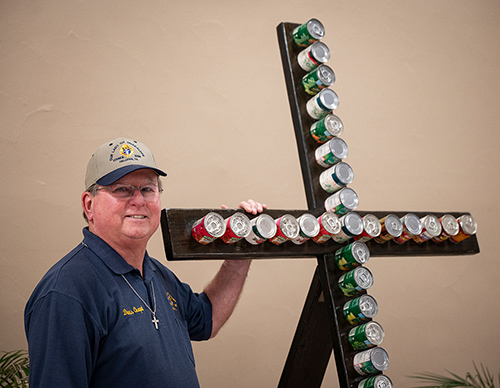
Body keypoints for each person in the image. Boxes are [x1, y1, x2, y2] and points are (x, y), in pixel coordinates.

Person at [24, 137, 266, 387]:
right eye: (122, 189)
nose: (138, 200)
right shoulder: (66, 292)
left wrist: (240, 253)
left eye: (148, 189)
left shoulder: (155, 274)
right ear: (89, 205)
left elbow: (208, 319)